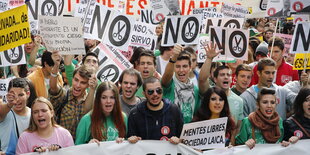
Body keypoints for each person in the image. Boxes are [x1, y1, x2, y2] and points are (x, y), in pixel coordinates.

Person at [49, 51, 97, 139]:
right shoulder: (64, 95)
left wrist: (92, 89)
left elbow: (87, 111)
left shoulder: (90, 100)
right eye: (76, 80)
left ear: (87, 85)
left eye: (82, 83)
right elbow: (53, 88)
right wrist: (56, 65)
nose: (78, 85)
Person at [199, 43, 244, 132]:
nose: (226, 77)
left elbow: (237, 128)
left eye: (228, 75)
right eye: (222, 75)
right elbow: (202, 80)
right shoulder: (209, 93)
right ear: (215, 79)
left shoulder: (239, 101)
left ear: (232, 79)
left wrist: (232, 143)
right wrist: (209, 58)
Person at [127, 77, 183, 144]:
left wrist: (178, 140)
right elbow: (130, 143)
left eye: (158, 90)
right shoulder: (135, 114)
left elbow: (182, 138)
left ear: (162, 91)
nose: (155, 94)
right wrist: (132, 139)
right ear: (144, 94)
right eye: (150, 92)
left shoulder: (174, 110)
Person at [161, 44, 200, 123]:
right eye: (178, 66)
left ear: (190, 68)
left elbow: (196, 115)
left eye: (185, 66)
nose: (181, 70)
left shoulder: (195, 89)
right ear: (174, 68)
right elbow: (167, 75)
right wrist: (173, 58)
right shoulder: (169, 85)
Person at [0, 78, 32, 154]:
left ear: (28, 94)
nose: (16, 100)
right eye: (13, 95)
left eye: (21, 95)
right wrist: (9, 104)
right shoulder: (5, 112)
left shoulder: (34, 113)